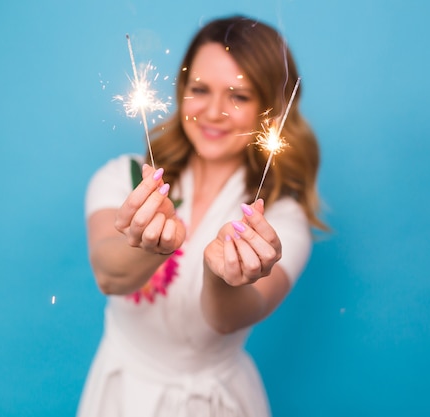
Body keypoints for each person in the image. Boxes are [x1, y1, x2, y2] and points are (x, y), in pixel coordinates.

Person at [78, 15, 326, 417]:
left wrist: (220, 275)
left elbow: (231, 320)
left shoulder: (280, 219)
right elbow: (109, 274)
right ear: (180, 91)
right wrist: (152, 247)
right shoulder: (124, 177)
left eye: (239, 96)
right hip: (120, 397)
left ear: (271, 109)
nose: (214, 112)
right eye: (200, 90)